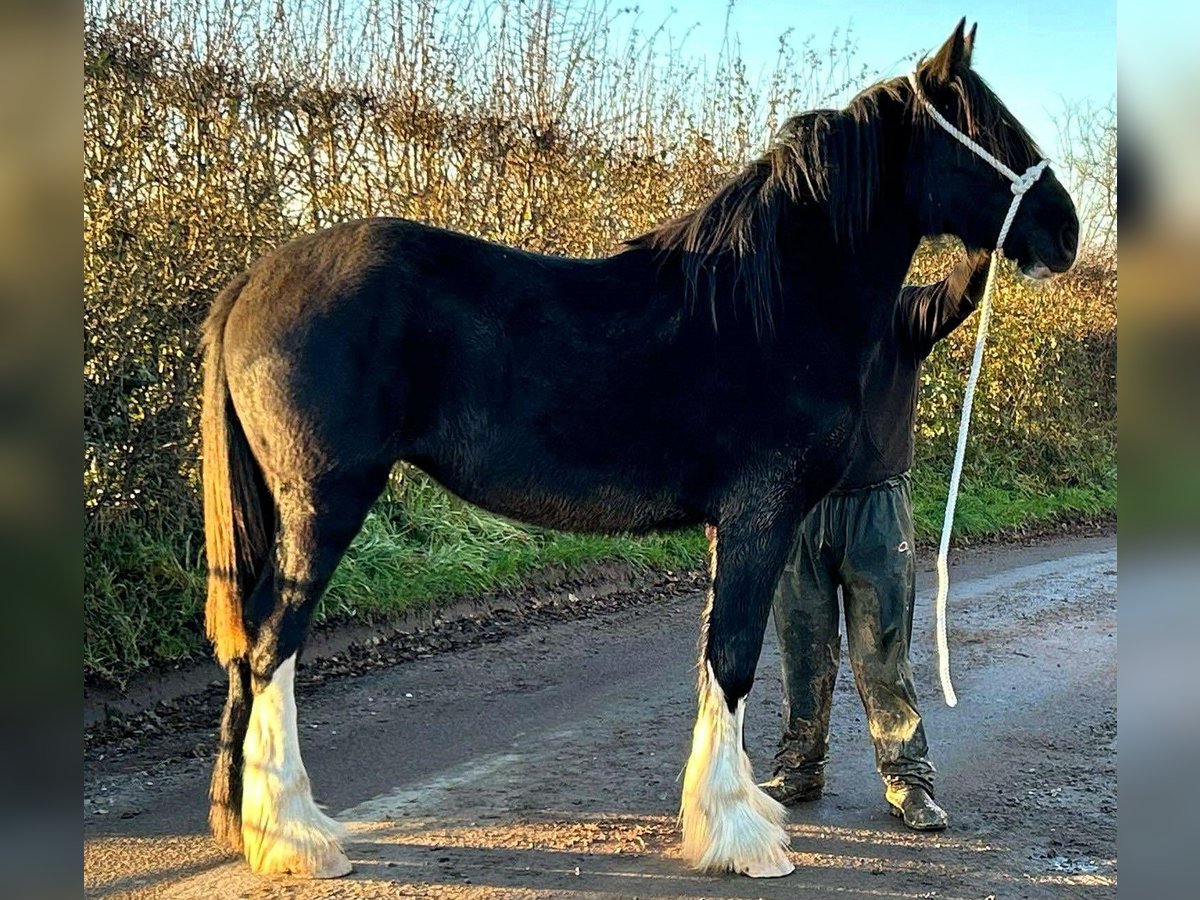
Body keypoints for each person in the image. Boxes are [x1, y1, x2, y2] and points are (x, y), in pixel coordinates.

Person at [760, 247, 992, 831]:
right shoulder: (790, 314)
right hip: (801, 510)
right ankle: (799, 767)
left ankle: (908, 779)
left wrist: (985, 243)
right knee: (802, 650)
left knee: (884, 653)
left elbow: (957, 294)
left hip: (878, 511)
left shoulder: (903, 311)